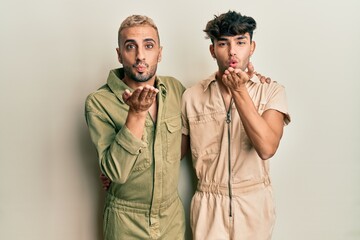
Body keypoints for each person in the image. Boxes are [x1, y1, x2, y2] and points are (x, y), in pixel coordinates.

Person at [181, 10, 291, 240]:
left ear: (252, 47)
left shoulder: (271, 90)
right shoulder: (191, 96)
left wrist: (240, 91)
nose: (232, 51)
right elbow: (172, 155)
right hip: (208, 205)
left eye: (240, 42)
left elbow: (267, 148)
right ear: (213, 50)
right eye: (223, 43)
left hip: (254, 203)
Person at [85, 15, 186, 240]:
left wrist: (253, 80)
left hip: (171, 218)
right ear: (119, 54)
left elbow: (204, 110)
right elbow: (116, 173)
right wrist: (136, 114)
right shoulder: (98, 102)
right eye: (130, 47)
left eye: (148, 46)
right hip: (125, 220)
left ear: (159, 52)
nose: (140, 55)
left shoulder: (175, 90)